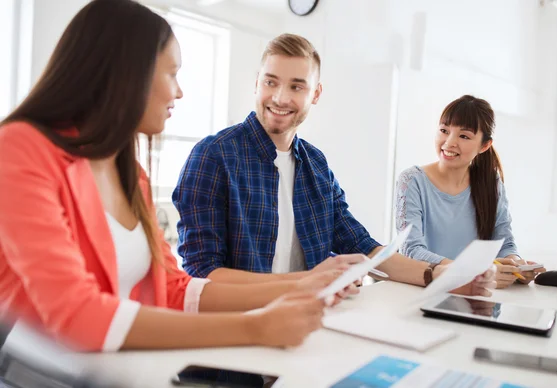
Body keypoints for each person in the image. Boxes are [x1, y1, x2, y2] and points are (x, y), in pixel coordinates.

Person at [0, 0, 343, 357]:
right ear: (129, 73)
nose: (179, 92)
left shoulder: (132, 174)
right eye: (172, 73)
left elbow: (174, 288)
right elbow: (76, 313)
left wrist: (301, 283)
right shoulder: (20, 147)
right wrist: (254, 327)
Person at [173, 34, 495, 296]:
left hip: (308, 330)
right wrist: (308, 284)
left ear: (316, 94)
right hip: (234, 349)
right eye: (271, 82)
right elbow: (202, 274)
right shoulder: (213, 157)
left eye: (297, 86)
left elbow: (364, 248)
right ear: (257, 83)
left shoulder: (315, 164)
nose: (281, 97)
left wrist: (440, 273)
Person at [395, 95, 545, 289]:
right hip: (421, 289)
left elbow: (504, 242)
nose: (449, 143)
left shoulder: (491, 182)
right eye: (444, 131)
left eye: (464, 136)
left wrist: (515, 265)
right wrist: (473, 271)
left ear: (484, 146)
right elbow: (411, 250)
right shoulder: (411, 180)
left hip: (473, 293)